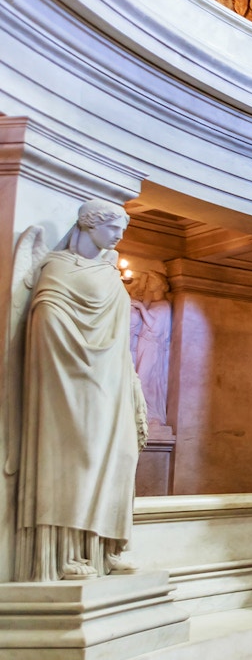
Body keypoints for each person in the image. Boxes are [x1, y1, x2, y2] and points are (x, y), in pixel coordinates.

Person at [15, 200, 148, 581]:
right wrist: (83, 360)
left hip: (114, 381)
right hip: (71, 378)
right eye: (113, 226)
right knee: (78, 458)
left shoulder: (109, 272)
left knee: (122, 457)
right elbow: (44, 318)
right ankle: (68, 554)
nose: (120, 234)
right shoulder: (57, 267)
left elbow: (122, 338)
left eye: (123, 228)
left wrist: (131, 380)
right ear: (89, 225)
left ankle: (108, 546)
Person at [132, 271, 172, 427]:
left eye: (151, 281)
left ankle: (150, 414)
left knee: (145, 379)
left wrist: (141, 307)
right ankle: (139, 413)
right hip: (143, 344)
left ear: (160, 285)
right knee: (138, 378)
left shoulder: (164, 305)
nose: (149, 284)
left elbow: (154, 328)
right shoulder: (153, 303)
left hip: (152, 347)